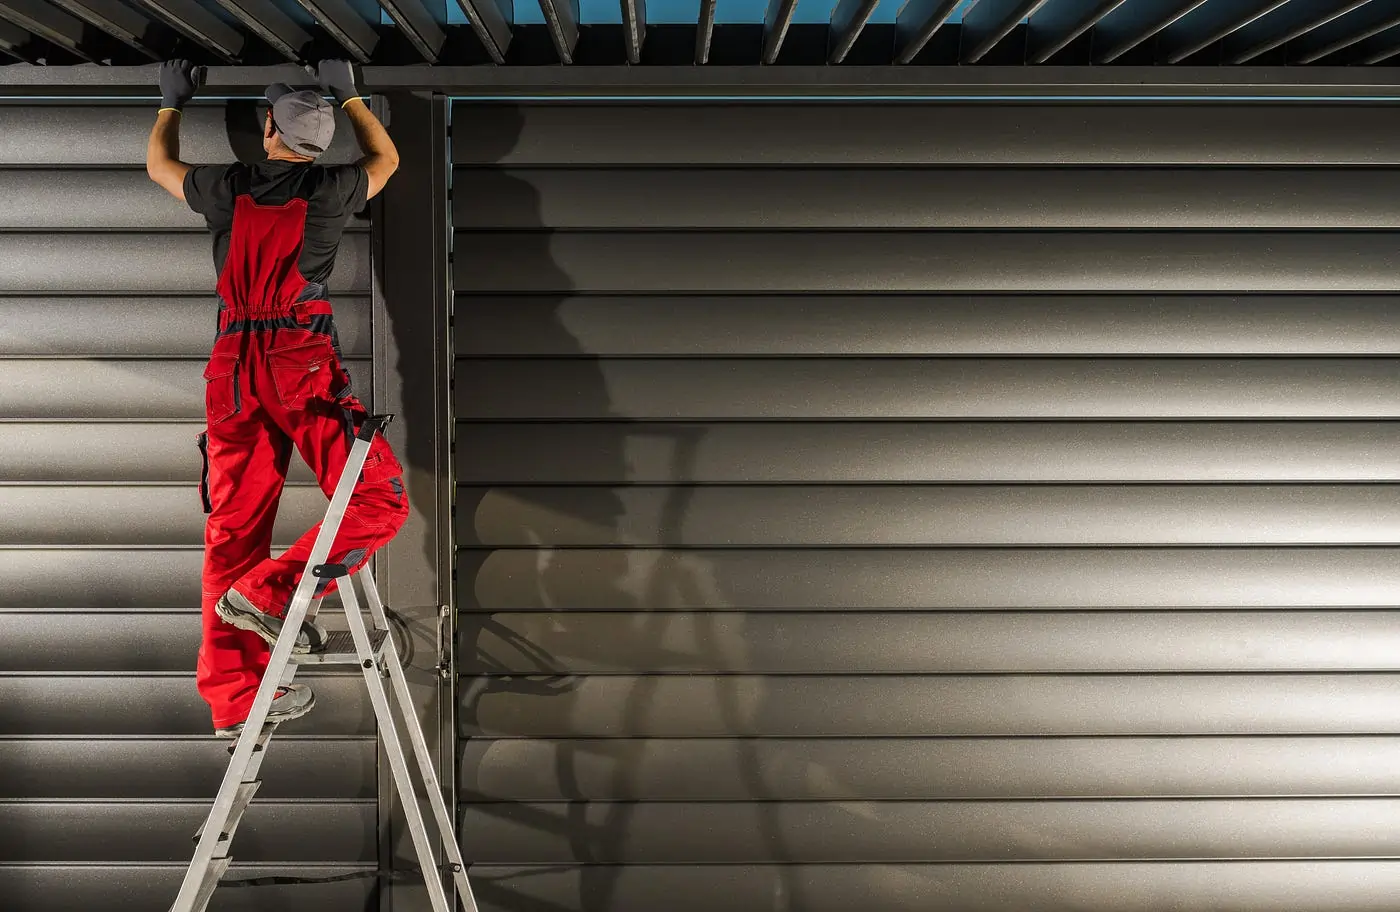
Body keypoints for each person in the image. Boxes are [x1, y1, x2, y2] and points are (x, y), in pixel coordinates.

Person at [146, 59, 409, 738]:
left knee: (231, 535)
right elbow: (387, 156)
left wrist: (171, 104)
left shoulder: (225, 186)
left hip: (232, 370)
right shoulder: (334, 189)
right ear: (320, 144)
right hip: (299, 364)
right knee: (379, 499)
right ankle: (269, 592)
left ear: (268, 127)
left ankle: (235, 702)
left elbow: (159, 168)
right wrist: (352, 94)